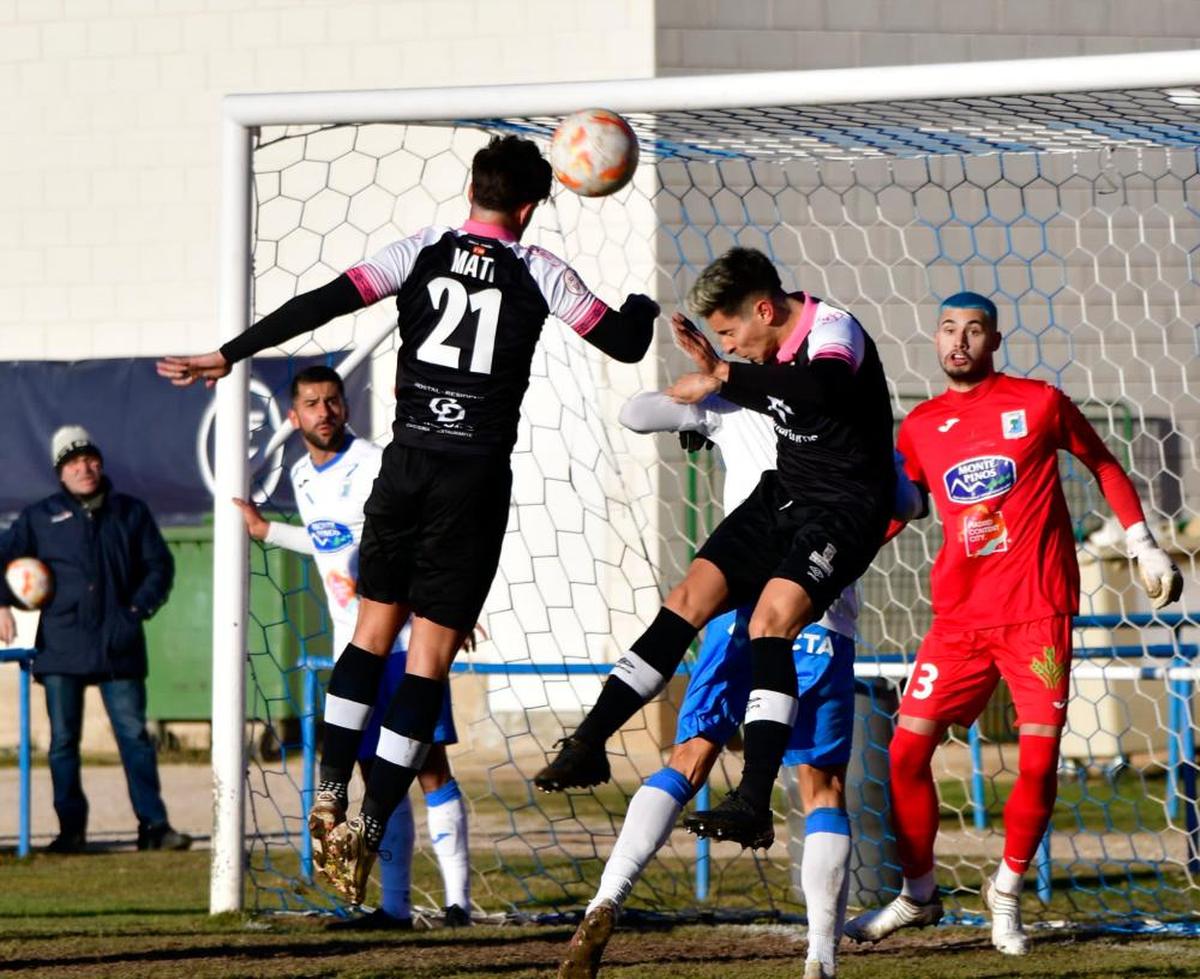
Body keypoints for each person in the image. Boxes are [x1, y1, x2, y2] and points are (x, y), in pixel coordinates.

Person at [157, 134, 659, 903]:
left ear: (470, 191)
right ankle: (372, 821)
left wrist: (231, 353)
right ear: (528, 206)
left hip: (407, 464)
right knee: (427, 661)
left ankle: (327, 791)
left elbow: (323, 299)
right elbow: (623, 343)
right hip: (473, 477)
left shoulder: (423, 247)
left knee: (368, 632)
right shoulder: (539, 269)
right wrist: (644, 304)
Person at [843, 292, 1183, 957]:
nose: (959, 340)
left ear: (994, 341)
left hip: (1037, 612)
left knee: (1037, 757)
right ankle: (918, 892)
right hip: (958, 620)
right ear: (935, 340)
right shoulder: (919, 426)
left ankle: (1006, 890)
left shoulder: (1039, 403)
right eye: (948, 328)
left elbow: (1105, 463)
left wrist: (1142, 543)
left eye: (974, 330)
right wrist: (832, 563)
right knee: (905, 751)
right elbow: (898, 507)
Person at [534, 247, 896, 854]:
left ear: (764, 309)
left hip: (844, 510)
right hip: (786, 491)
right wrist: (716, 371)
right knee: (688, 597)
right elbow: (761, 395)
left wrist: (723, 376)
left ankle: (753, 800)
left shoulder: (833, 330)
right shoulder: (758, 357)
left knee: (770, 621)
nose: (729, 346)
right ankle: (587, 743)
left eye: (730, 333)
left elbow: (821, 387)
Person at [557, 389, 925, 979]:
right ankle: (819, 959)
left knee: (690, 757)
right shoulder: (855, 426)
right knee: (820, 784)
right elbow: (907, 502)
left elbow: (636, 411)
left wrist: (698, 387)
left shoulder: (732, 405)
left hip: (734, 613)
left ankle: (606, 900)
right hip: (817, 613)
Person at [233, 366, 469, 929]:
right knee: (370, 779)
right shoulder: (300, 475)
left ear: (345, 407)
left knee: (428, 768)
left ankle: (458, 903)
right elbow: (326, 542)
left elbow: (420, 537)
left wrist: (446, 605)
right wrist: (269, 533)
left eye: (333, 401)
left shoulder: (375, 463)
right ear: (294, 416)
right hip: (355, 651)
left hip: (409, 642)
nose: (324, 411)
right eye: (312, 403)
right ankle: (393, 906)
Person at [0, 426, 188, 853]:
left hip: (118, 643)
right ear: (59, 472)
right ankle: (71, 833)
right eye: (71, 463)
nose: (83, 468)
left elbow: (159, 567)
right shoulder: (40, 517)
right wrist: (3, 603)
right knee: (64, 742)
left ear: (100, 462)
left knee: (134, 737)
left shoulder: (130, 512)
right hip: (62, 644)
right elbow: (3, 557)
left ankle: (155, 828)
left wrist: (135, 612)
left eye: (89, 459)